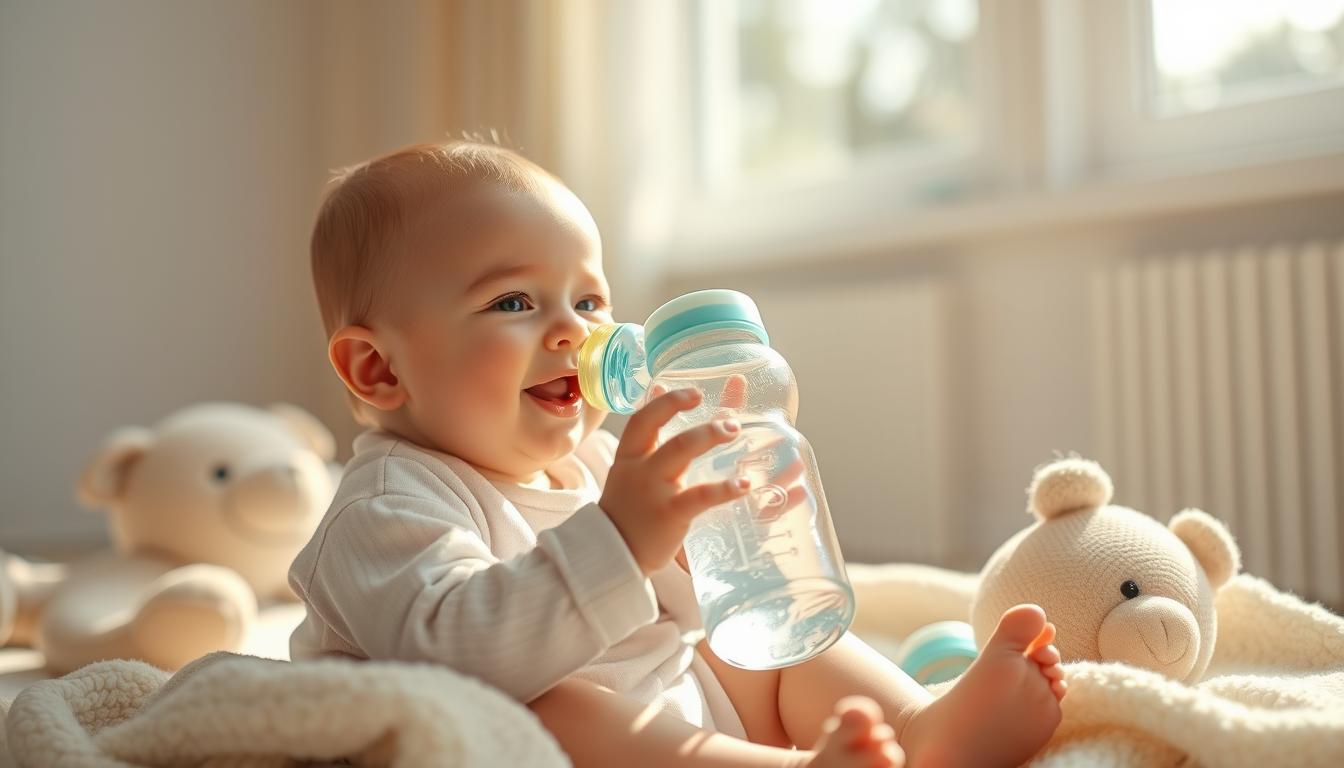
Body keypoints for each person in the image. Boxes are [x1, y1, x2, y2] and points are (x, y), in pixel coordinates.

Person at [289, 140, 1067, 767]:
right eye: (513, 302)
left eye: (588, 301)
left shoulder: (599, 464)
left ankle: (921, 730)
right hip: (554, 744)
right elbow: (459, 658)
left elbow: (693, 598)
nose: (575, 333)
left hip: (686, 716)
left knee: (774, 641)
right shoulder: (386, 508)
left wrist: (737, 518)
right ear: (379, 368)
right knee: (542, 703)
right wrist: (620, 537)